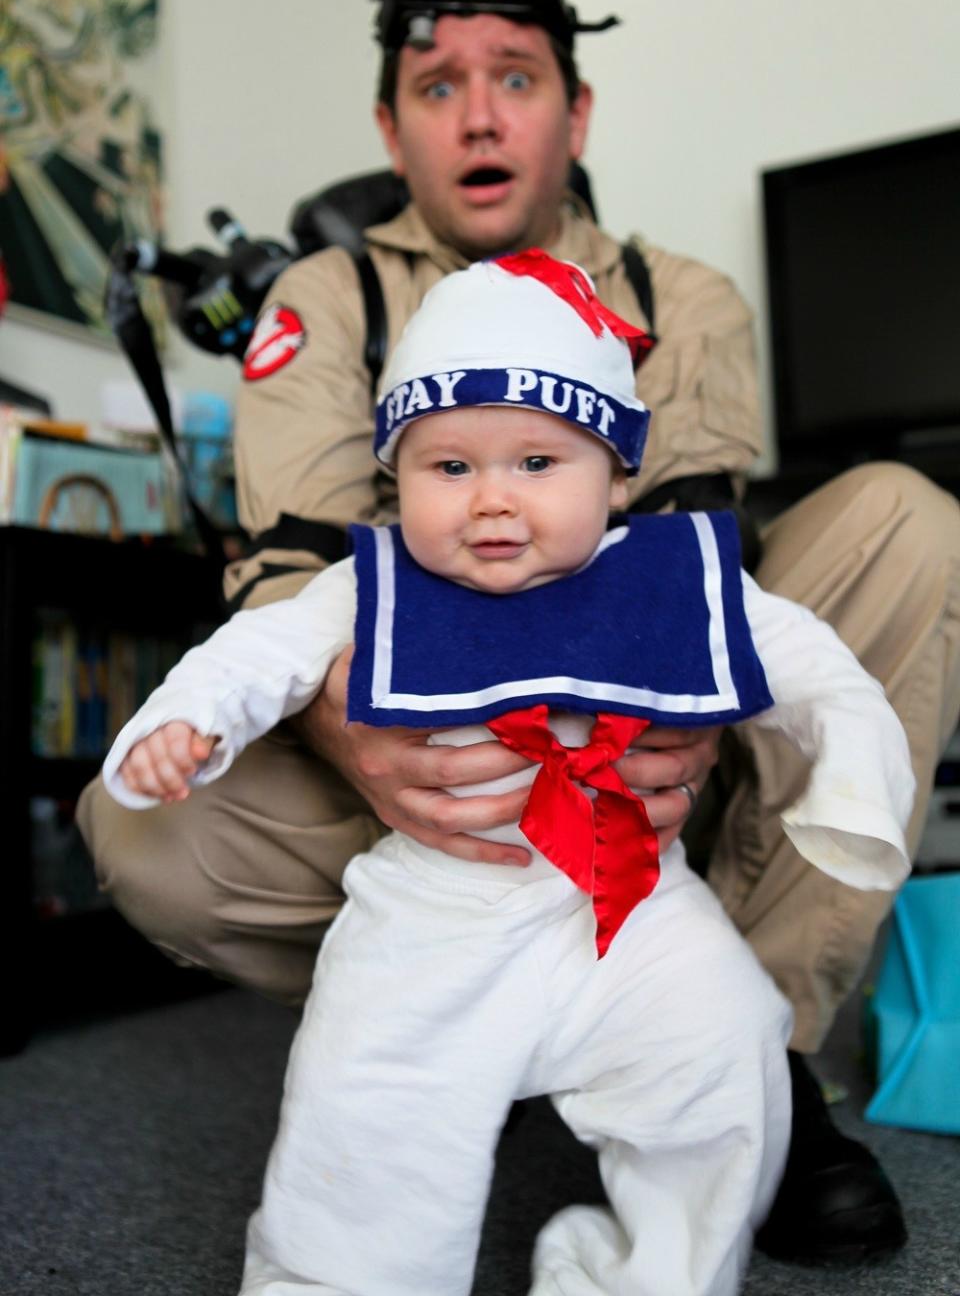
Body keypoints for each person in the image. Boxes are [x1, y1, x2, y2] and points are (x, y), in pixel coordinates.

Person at [77, 0, 960, 1269]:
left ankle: (754, 1047)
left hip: (659, 755)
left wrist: (680, 721)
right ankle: (461, 1015)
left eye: (517, 76)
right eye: (437, 84)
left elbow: (690, 564)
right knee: (137, 822)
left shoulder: (684, 296)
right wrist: (346, 729)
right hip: (430, 783)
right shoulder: (326, 301)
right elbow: (299, 584)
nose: (480, 115)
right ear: (390, 123)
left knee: (911, 514)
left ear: (576, 109)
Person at [103, 252, 914, 1296]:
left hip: (632, 909)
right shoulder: (376, 585)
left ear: (617, 475)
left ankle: (653, 1275)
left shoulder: (667, 576)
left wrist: (850, 783)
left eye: (538, 463)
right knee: (366, 1120)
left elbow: (821, 675)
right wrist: (184, 724)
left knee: (725, 1053)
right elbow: (253, 656)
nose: (491, 500)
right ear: (398, 478)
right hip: (435, 918)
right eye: (449, 467)